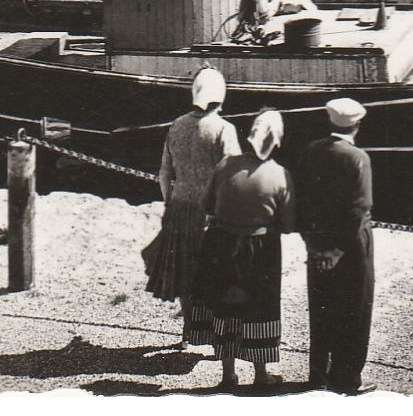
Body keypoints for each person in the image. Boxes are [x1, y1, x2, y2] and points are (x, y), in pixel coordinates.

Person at [189, 111, 294, 390]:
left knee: (225, 305)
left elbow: (207, 204)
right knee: (259, 308)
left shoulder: (225, 165)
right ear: (277, 142)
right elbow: (287, 223)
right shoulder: (280, 175)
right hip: (260, 249)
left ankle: (227, 375)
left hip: (221, 242)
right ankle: (261, 374)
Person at [143, 68, 240, 347]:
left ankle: (189, 332)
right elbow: (231, 176)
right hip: (212, 213)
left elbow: (164, 173)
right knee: (215, 274)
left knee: (185, 273)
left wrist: (169, 202)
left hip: (180, 208)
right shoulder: (224, 129)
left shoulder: (176, 125)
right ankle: (214, 337)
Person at [291, 98, 374, 395]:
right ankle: (348, 378)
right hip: (351, 248)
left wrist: (314, 245)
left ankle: (318, 375)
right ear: (357, 125)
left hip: (317, 242)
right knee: (355, 309)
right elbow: (359, 209)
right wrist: (338, 251)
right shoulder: (357, 158)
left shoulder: (311, 151)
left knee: (322, 307)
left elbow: (297, 201)